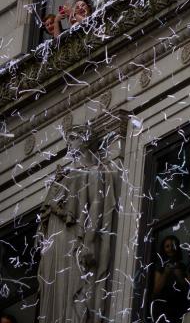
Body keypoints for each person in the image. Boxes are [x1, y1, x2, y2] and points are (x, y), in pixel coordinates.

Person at [36, 124, 118, 323]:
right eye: (69, 138)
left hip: (71, 236)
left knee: (70, 286)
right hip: (55, 239)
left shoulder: (93, 171)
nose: (69, 143)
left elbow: (97, 209)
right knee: (53, 286)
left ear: (86, 139)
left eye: (73, 138)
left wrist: (89, 242)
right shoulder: (64, 174)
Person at [147, 235, 190, 323]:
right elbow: (156, 290)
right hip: (162, 309)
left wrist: (179, 275)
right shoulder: (160, 267)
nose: (170, 248)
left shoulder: (184, 267)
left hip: (180, 308)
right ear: (163, 249)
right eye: (167, 246)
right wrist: (166, 273)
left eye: (173, 245)